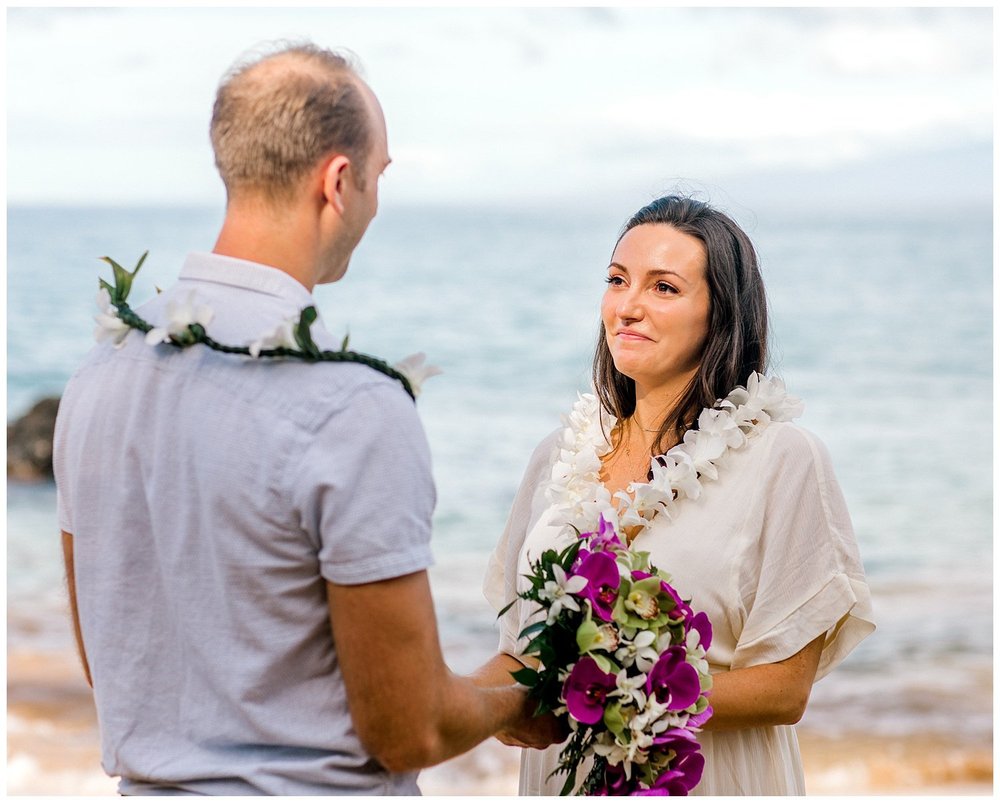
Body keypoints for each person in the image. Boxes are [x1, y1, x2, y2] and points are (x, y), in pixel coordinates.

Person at [53, 43, 559, 795]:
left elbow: (111, 664)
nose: (376, 202)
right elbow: (406, 728)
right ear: (339, 181)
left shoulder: (97, 378)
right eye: (380, 176)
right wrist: (522, 696)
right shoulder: (354, 407)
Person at [481, 195, 876, 795]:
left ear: (720, 317)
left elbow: (785, 690)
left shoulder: (783, 459)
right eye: (617, 281)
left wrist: (611, 698)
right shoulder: (557, 455)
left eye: (663, 288)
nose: (628, 307)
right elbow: (520, 657)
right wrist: (439, 707)